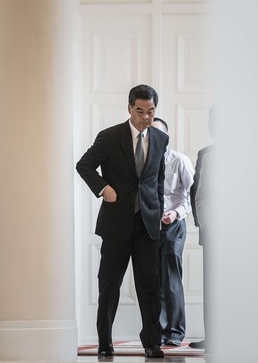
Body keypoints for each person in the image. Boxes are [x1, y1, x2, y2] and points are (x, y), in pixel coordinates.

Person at [76, 84, 169, 359]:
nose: (145, 117)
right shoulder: (109, 137)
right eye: (139, 111)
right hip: (116, 225)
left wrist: (159, 213)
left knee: (150, 286)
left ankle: (152, 343)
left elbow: (158, 181)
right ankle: (105, 342)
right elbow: (84, 165)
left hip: (148, 225)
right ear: (129, 109)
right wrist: (104, 188)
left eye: (150, 111)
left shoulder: (161, 139)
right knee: (109, 285)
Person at [151, 118, 194, 347]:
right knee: (153, 280)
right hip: (150, 227)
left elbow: (190, 195)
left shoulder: (180, 161)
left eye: (158, 133)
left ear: (166, 136)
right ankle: (158, 331)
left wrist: (175, 214)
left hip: (173, 225)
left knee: (171, 279)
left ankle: (176, 332)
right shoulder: (144, 162)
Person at [188, 106, 216, 350]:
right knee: (212, 287)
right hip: (214, 232)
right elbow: (197, 192)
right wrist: (206, 225)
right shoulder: (205, 154)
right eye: (212, 122)